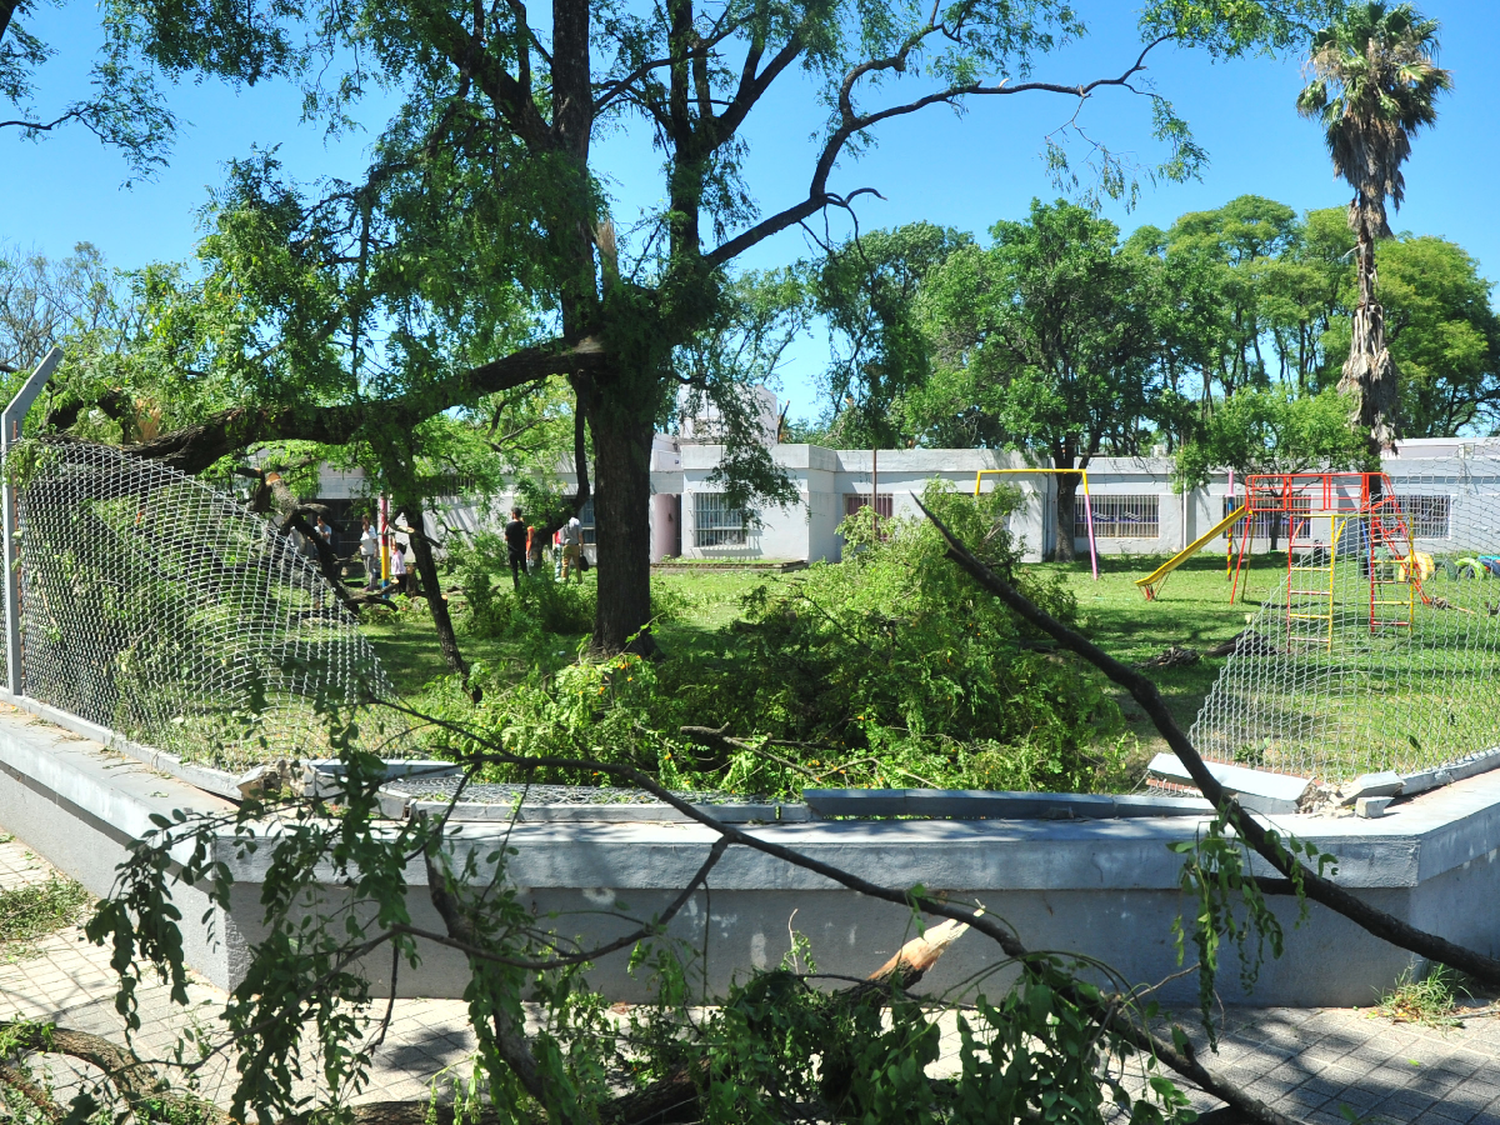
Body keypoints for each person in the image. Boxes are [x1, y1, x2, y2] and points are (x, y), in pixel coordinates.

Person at [504, 507, 527, 591]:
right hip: (521, 550)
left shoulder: (509, 525)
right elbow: (526, 536)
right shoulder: (523, 525)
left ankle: (517, 586)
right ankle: (527, 583)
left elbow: (506, 538)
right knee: (524, 568)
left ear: (514, 514)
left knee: (514, 569)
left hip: (512, 550)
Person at [560, 515, 583, 583]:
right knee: (577, 564)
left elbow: (561, 535)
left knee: (565, 564)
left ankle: (564, 579)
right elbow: (580, 535)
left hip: (566, 545)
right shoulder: (576, 521)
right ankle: (579, 580)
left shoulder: (564, 522)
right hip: (575, 545)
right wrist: (582, 545)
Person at [359, 516, 380, 590]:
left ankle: (371, 586)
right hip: (364, 553)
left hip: (371, 553)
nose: (365, 527)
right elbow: (364, 542)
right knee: (367, 569)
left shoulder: (372, 533)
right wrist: (361, 547)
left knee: (371, 569)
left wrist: (376, 552)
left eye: (367, 525)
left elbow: (376, 543)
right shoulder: (364, 533)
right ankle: (372, 583)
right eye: (364, 525)